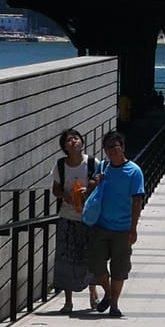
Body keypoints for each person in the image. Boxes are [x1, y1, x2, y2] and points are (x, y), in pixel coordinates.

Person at [84, 129, 146, 316]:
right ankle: (109, 293)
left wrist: (133, 229)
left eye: (114, 147)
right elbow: (90, 191)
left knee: (119, 268)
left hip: (122, 228)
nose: (111, 151)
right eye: (107, 148)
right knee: (97, 265)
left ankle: (114, 304)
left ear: (122, 148)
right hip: (101, 225)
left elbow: (137, 201)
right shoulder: (103, 167)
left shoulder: (134, 171)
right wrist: (95, 182)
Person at [50, 127, 98, 316]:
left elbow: (102, 183)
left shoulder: (93, 163)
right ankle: (68, 301)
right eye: (69, 140)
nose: (74, 141)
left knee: (91, 257)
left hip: (89, 218)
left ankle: (93, 292)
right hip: (68, 217)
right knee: (66, 259)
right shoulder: (61, 166)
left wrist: (90, 189)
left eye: (76, 138)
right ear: (64, 146)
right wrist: (65, 195)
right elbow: (55, 189)